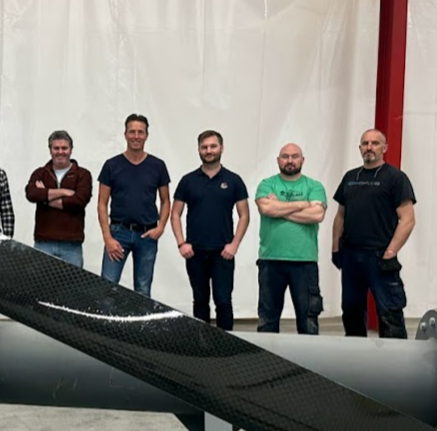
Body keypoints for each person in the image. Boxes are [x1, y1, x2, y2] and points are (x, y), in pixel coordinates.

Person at [331, 129, 416, 338]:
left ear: (384, 148)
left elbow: (408, 219)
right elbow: (340, 215)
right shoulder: (350, 177)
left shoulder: (396, 178)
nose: (369, 147)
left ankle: (395, 356)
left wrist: (391, 252)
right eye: (365, 143)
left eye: (375, 143)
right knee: (351, 311)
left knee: (389, 312)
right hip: (351, 255)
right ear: (360, 148)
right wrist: (335, 248)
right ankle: (355, 354)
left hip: (380, 257)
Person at [169, 130, 250, 330]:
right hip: (195, 252)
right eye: (204, 147)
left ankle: (227, 345)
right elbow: (175, 214)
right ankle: (202, 345)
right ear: (199, 150)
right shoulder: (188, 181)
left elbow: (244, 215)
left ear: (221, 148)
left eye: (213, 146)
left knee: (223, 301)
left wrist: (234, 245)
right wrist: (181, 243)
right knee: (200, 300)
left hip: (223, 252)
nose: (209, 150)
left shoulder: (233, 180)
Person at [253, 143, 328, 334]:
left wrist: (279, 207)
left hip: (305, 262)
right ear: (278, 160)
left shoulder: (314, 186)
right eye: (285, 156)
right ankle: (266, 354)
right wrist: (303, 204)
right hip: (271, 260)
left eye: (295, 156)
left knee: (308, 321)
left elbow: (317, 214)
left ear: (302, 160)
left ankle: (308, 355)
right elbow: (266, 208)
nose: (290, 160)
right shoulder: (267, 184)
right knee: (267, 320)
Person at [96, 114, 171, 297]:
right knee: (107, 287)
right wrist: (107, 238)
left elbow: (166, 200)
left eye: (140, 132)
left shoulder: (158, 166)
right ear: (125, 134)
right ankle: (106, 318)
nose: (136, 136)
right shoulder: (111, 165)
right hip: (118, 234)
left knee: (143, 291)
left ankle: (140, 320)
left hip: (147, 235)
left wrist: (160, 227)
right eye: (132, 132)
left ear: (146, 135)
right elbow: (102, 203)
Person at [23, 130, 93, 267]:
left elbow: (79, 201)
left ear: (71, 150)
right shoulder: (40, 173)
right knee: (40, 281)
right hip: (44, 244)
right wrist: (64, 191)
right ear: (50, 150)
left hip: (71, 246)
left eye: (64, 148)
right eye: (56, 148)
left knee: (72, 282)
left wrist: (45, 197)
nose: (60, 152)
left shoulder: (82, 174)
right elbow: (31, 194)